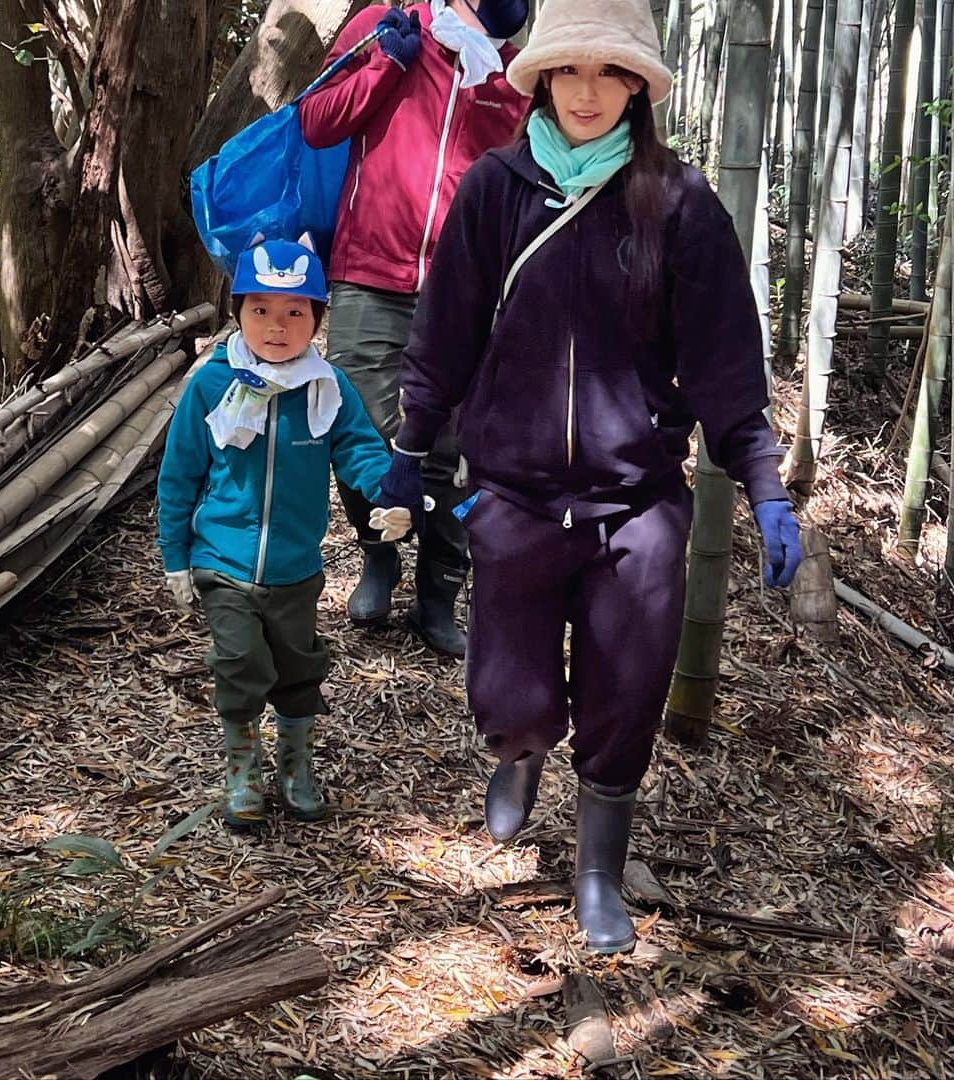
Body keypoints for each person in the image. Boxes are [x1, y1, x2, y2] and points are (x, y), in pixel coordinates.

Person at [376, 0, 804, 953]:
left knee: (630, 683)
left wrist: (765, 483)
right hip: (517, 487)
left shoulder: (681, 203)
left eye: (609, 74)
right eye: (568, 71)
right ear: (539, 78)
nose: (586, 92)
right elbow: (444, 331)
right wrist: (411, 450)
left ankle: (599, 868)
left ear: (640, 88)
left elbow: (726, 361)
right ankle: (522, 750)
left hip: (637, 498)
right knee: (511, 683)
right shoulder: (494, 189)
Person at [299, 0, 530, 656]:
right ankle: (379, 553)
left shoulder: (512, 73)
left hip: (465, 292)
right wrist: (384, 68)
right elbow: (315, 121)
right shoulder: (385, 25)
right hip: (369, 269)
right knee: (359, 427)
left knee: (453, 451)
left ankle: (437, 598)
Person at [157, 235, 409, 828]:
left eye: (295, 311)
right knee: (239, 662)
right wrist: (175, 555)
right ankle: (242, 769)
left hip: (296, 565)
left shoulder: (328, 386)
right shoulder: (213, 383)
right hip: (223, 559)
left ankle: (296, 765)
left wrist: (389, 495)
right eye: (261, 310)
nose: (277, 326)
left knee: (298, 667)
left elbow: (360, 451)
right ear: (238, 313)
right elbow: (179, 472)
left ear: (317, 320)